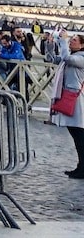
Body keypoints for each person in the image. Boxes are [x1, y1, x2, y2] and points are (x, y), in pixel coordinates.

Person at [50, 33, 84, 178]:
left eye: (74, 40)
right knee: (76, 135)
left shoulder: (81, 58)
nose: (71, 42)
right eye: (70, 40)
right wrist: (52, 43)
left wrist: (63, 41)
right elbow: (52, 59)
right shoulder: (71, 56)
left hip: (76, 100)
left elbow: (67, 58)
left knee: (80, 135)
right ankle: (80, 166)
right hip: (68, 96)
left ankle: (82, 168)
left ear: (82, 45)